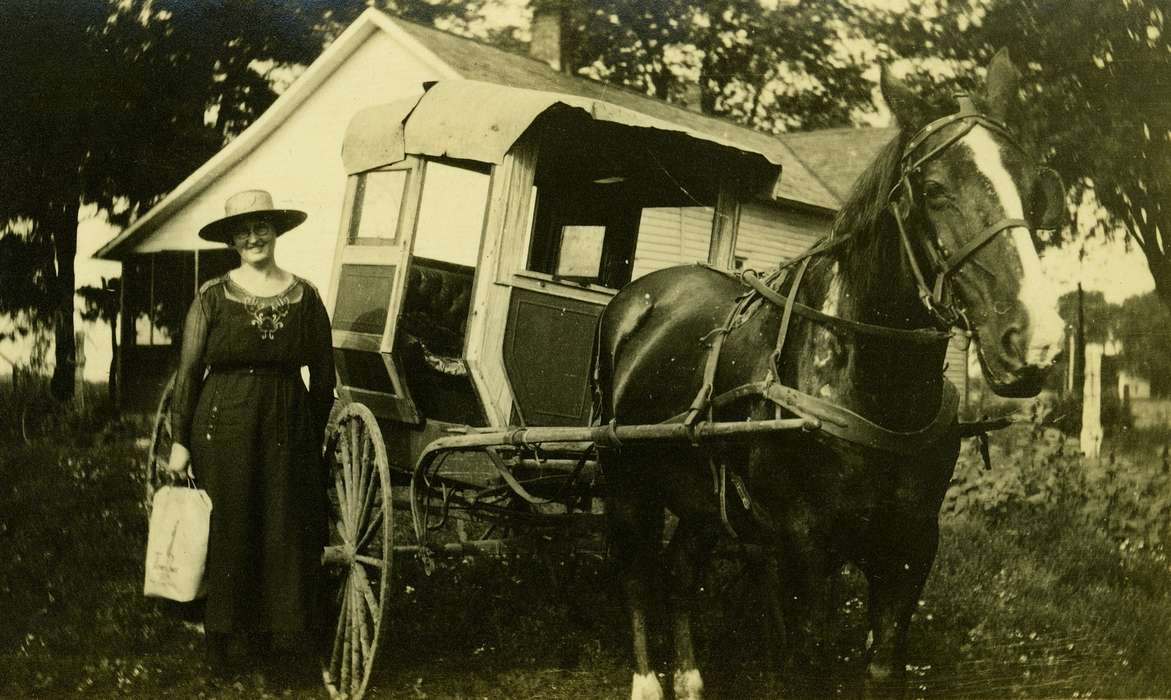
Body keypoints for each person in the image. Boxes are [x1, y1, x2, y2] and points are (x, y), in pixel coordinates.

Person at [165, 189, 335, 681]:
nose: (254, 237)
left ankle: (279, 645)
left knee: (283, 529)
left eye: (262, 227)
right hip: (224, 421)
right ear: (232, 240)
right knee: (230, 525)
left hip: (288, 421)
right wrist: (181, 441)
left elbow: (323, 376)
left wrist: (312, 431)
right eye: (243, 231)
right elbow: (189, 370)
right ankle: (220, 641)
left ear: (276, 231)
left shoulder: (306, 296)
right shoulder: (212, 296)